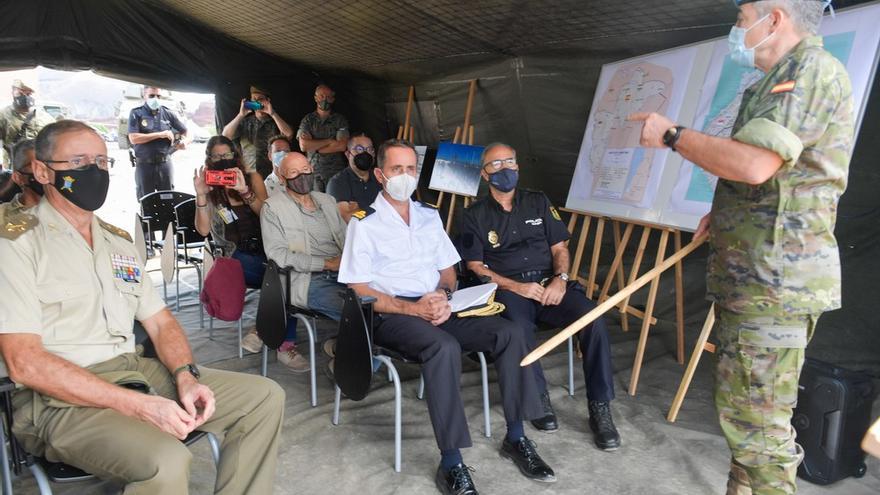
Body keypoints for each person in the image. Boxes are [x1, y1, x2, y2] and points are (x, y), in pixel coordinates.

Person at [629, 1, 853, 493]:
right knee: (744, 422)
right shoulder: (772, 82)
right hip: (754, 281)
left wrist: (672, 134)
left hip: (774, 285)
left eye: (741, 17)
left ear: (774, 18)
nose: (737, 28)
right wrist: (726, 213)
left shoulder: (811, 70)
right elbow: (770, 179)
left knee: (762, 435)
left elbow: (754, 164)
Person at [0, 120, 284, 494]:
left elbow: (161, 322)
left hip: (134, 371)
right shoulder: (16, 243)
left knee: (263, 397)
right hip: (58, 401)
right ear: (41, 171)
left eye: (102, 162)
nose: (95, 171)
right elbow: (26, 363)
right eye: (80, 162)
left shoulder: (116, 242)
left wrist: (185, 375)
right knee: (166, 460)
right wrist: (138, 406)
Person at [339, 139, 554, 495]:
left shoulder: (428, 215)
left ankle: (516, 437)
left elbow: (448, 271)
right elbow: (359, 290)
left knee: (511, 333)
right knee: (444, 348)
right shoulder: (364, 224)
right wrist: (413, 308)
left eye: (411, 169)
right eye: (396, 169)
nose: (405, 176)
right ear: (380, 174)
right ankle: (451, 462)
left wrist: (442, 295)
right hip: (393, 313)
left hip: (438, 304)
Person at [460, 142, 621, 450]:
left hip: (550, 286)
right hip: (510, 290)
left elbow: (560, 248)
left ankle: (600, 407)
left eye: (509, 161)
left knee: (594, 319)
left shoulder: (538, 202)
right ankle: (537, 398)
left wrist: (560, 280)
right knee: (517, 330)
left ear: (518, 166)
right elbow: (475, 266)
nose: (504, 169)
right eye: (496, 165)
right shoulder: (474, 215)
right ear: (484, 174)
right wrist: (516, 287)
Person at [249, 151, 348, 372]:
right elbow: (278, 256)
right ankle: (348, 366)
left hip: (344, 271)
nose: (302, 176)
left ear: (312, 170)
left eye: (305, 170)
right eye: (294, 173)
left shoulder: (327, 201)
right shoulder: (273, 208)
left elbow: (347, 238)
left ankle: (344, 347)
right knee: (354, 310)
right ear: (282, 179)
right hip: (305, 280)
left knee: (377, 300)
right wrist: (327, 264)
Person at [194, 136, 269, 288]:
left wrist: (245, 192)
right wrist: (201, 195)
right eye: (217, 156)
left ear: (235, 155)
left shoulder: (252, 179)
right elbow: (203, 230)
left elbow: (268, 216)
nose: (223, 160)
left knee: (284, 271)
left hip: (264, 246)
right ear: (210, 159)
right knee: (276, 277)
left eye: (227, 155)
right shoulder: (209, 188)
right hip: (231, 253)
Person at [128, 86, 188, 199]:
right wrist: (161, 134)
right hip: (145, 166)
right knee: (146, 201)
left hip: (165, 164)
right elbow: (133, 138)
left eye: (158, 96)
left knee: (168, 200)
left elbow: (186, 132)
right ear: (144, 96)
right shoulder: (136, 113)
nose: (155, 99)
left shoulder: (167, 113)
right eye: (151, 96)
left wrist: (186, 141)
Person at [222, 85, 294, 180]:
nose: (256, 102)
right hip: (250, 173)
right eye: (254, 99)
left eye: (260, 99)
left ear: (267, 101)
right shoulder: (245, 122)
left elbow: (288, 134)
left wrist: (272, 113)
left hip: (272, 174)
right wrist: (240, 115)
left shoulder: (276, 122)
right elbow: (225, 136)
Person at [297, 84, 349, 191]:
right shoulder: (308, 120)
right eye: (321, 96)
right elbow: (304, 146)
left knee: (335, 203)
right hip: (313, 171)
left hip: (336, 172)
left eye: (328, 97)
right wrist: (330, 141)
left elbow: (342, 145)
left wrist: (316, 147)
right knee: (318, 204)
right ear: (315, 98)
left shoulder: (339, 120)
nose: (325, 99)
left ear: (333, 99)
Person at [326, 133, 383, 222]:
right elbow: (346, 218)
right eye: (359, 149)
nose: (365, 153)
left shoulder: (380, 177)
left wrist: (359, 209)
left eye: (370, 149)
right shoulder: (337, 182)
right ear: (348, 154)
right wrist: (379, 209)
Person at [0, 79, 54, 168]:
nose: (25, 97)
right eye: (21, 94)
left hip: (39, 166)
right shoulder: (3, 115)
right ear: (13, 92)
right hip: (13, 166)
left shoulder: (45, 117)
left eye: (28, 94)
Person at [6, 139, 42, 209]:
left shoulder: (66, 211)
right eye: (36, 165)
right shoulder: (2, 215)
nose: (45, 170)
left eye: (49, 164)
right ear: (18, 178)